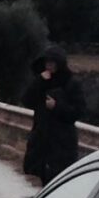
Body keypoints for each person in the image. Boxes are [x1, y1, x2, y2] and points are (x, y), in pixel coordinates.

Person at [21, 45, 85, 186]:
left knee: (58, 181)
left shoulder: (71, 84)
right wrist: (39, 82)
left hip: (62, 143)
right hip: (41, 139)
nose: (49, 66)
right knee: (40, 177)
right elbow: (27, 100)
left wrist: (56, 107)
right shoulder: (41, 81)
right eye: (47, 62)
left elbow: (78, 111)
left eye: (52, 63)